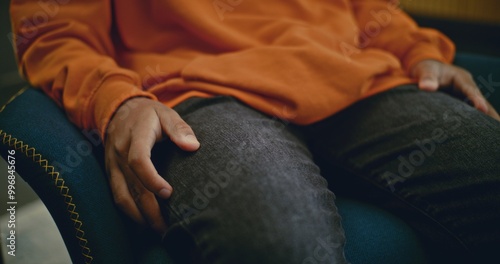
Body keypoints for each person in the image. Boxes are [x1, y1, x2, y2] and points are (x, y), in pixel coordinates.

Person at [10, 0, 500, 263]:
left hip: (355, 75)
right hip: (193, 92)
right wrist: (115, 99)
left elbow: (369, 6)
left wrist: (416, 49)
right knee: (281, 247)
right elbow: (54, 32)